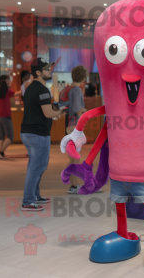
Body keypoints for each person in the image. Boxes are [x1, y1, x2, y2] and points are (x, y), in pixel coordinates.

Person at [21, 58, 66, 211]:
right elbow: (48, 113)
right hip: (38, 134)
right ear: (38, 72)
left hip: (28, 132)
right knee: (37, 167)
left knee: (35, 166)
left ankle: (35, 195)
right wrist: (59, 110)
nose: (50, 70)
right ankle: (28, 201)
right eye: (47, 69)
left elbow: (41, 111)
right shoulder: (42, 90)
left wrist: (55, 110)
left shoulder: (30, 88)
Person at [61, 66, 88, 194]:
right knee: (76, 157)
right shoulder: (76, 90)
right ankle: (74, 186)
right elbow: (78, 109)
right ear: (83, 77)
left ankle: (73, 185)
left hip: (67, 123)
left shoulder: (66, 89)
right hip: (75, 125)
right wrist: (86, 112)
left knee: (72, 156)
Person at [0, 75, 21, 159]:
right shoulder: (8, 91)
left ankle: (1, 154)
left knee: (1, 135)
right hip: (5, 116)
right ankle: (1, 152)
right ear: (4, 81)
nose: (9, 81)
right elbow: (18, 93)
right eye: (8, 80)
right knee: (10, 136)